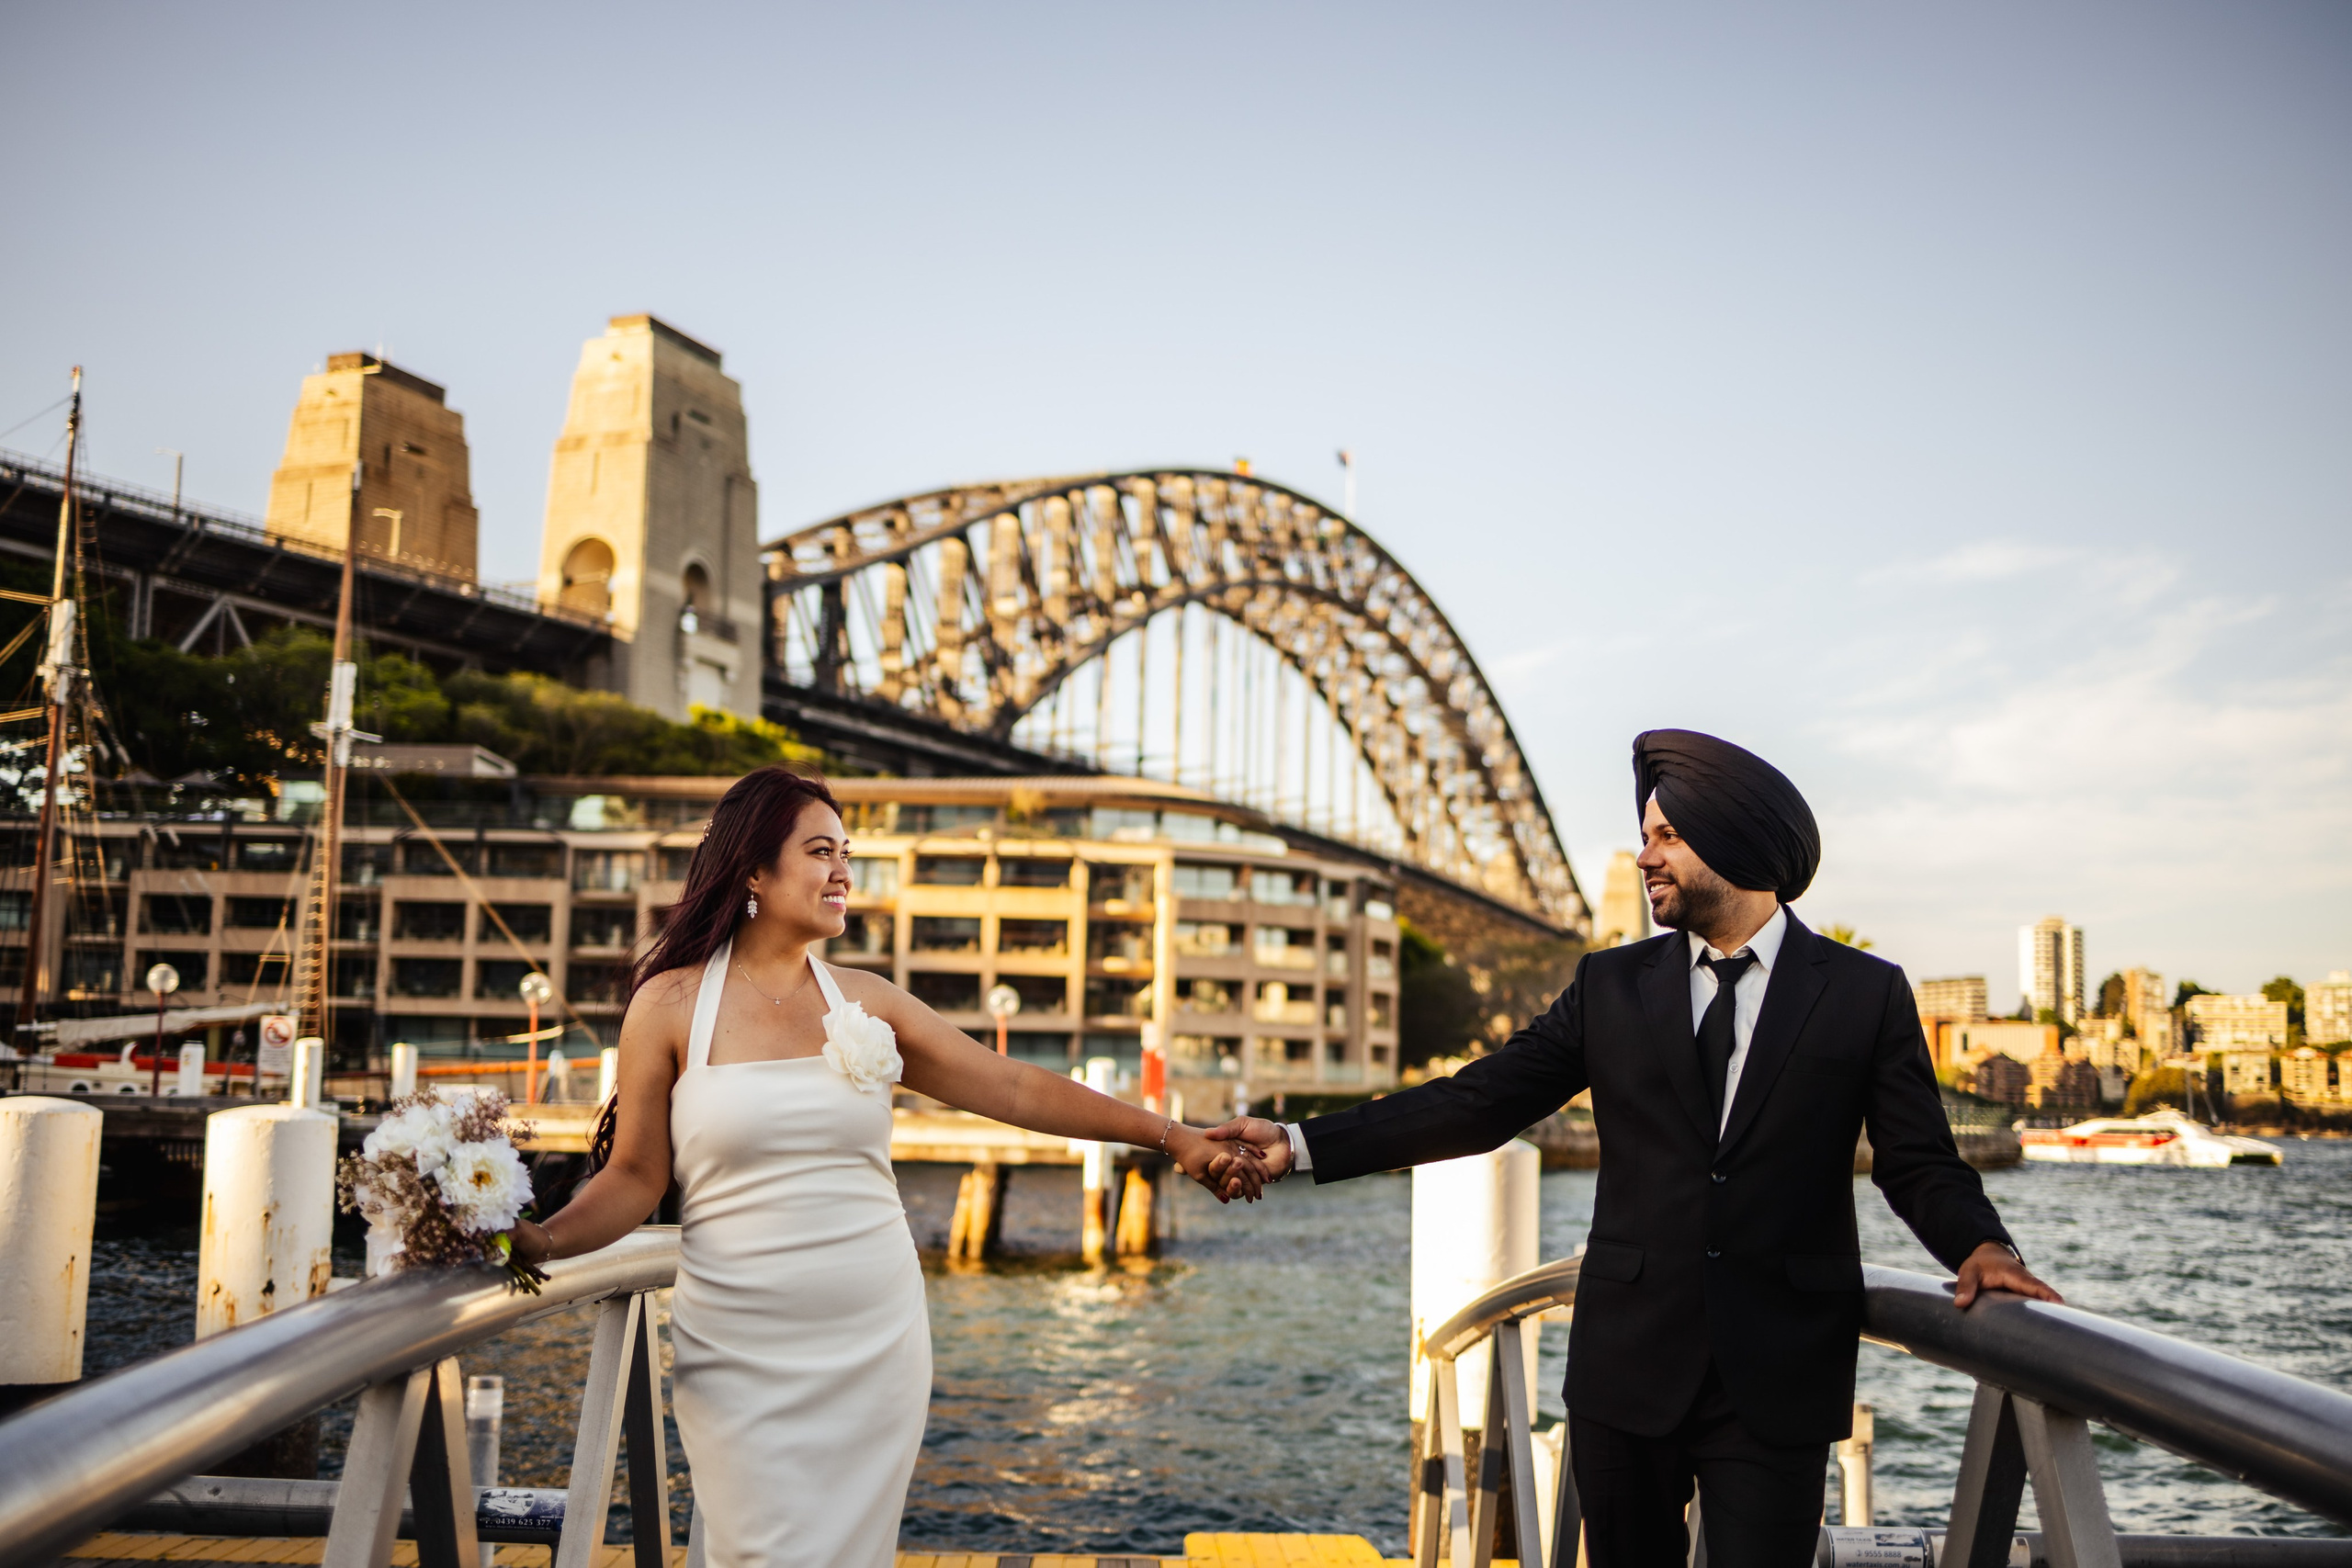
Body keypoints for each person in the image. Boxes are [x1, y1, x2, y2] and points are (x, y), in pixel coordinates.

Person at [1208, 729, 2058, 1568]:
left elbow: (1916, 1158)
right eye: (1646, 834)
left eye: (1666, 836)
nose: (1644, 854)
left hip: (1779, 1376)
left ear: (1735, 843)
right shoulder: (1607, 986)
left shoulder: (1865, 993)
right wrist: (1299, 1142)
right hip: (1627, 1368)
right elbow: (1480, 1102)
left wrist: (1982, 1246)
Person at [506, 767, 1260, 1568]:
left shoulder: (868, 1001)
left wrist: (1172, 1134)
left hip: (874, 1337)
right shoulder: (668, 1005)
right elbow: (635, 1176)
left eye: (847, 852)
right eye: (820, 850)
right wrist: (543, 1242)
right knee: (752, 1549)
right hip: (737, 1344)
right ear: (753, 871)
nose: (843, 872)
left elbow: (1012, 1085)